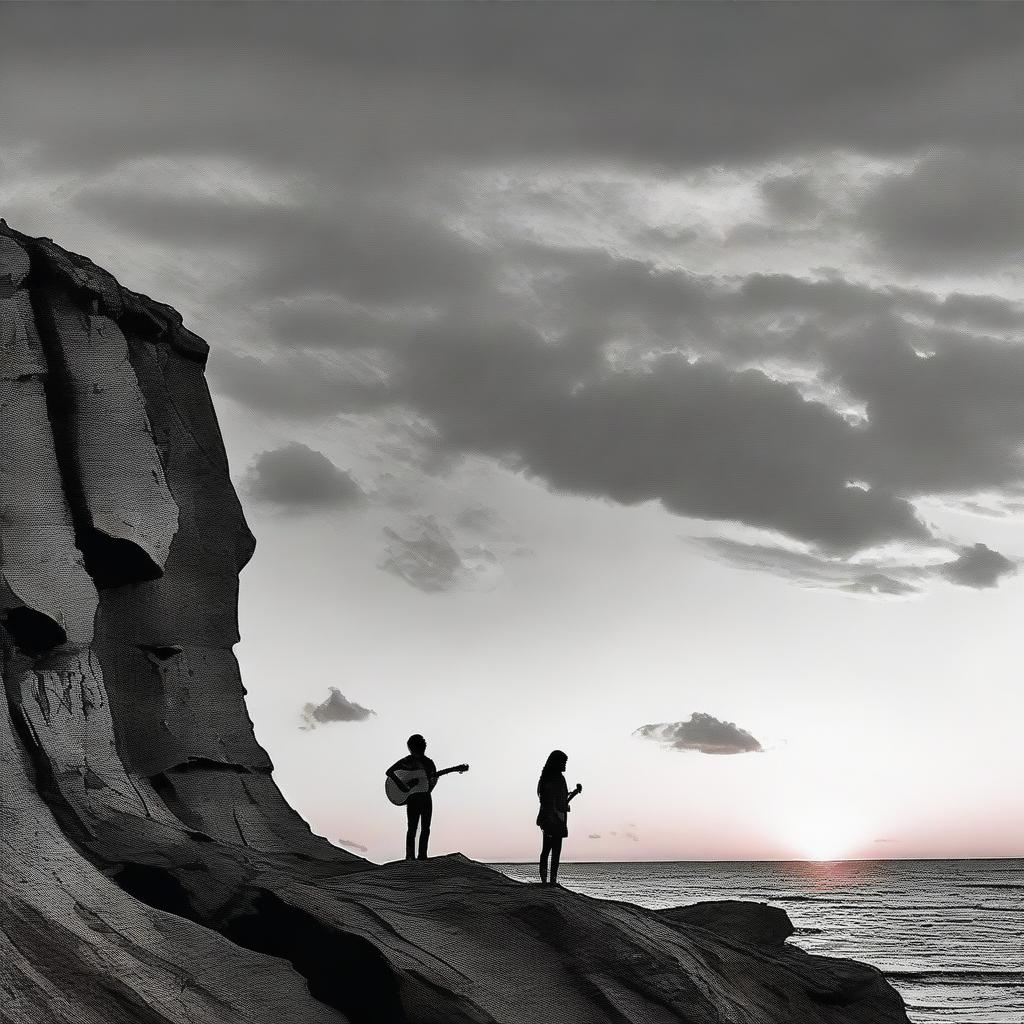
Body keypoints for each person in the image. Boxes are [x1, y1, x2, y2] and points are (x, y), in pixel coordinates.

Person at [386, 734, 437, 861]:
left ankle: (422, 855)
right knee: (413, 828)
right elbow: (389, 772)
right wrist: (404, 787)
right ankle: (410, 856)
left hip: (425, 797)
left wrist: (427, 786)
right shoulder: (407, 761)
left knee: (425, 827)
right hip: (414, 798)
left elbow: (433, 781)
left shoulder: (429, 763)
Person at [536, 749, 582, 887]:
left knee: (547, 852)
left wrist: (575, 792)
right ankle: (551, 882)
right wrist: (556, 814)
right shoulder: (555, 779)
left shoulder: (548, 778)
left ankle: (548, 881)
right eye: (564, 762)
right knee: (553, 853)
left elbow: (562, 802)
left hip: (553, 820)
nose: (565, 765)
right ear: (557, 762)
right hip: (553, 821)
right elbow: (553, 801)